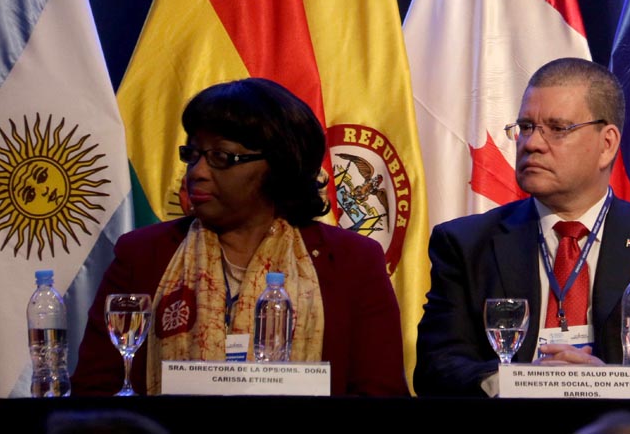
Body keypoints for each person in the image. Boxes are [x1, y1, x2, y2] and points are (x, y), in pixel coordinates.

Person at [71, 78, 409, 397]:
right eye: (193, 155)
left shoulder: (352, 261)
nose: (198, 172)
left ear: (279, 165)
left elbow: (380, 396)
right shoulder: (143, 254)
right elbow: (95, 390)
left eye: (221, 157)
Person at [413, 57, 630, 399]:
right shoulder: (465, 245)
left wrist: (610, 385)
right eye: (526, 126)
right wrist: (520, 382)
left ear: (607, 144)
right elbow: (435, 368)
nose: (531, 143)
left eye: (557, 128)